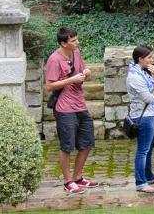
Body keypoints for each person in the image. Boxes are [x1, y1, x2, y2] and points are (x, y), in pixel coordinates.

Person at [46, 26, 97, 194]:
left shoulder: (76, 53)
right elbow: (50, 85)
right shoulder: (54, 59)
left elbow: (82, 72)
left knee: (87, 141)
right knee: (67, 145)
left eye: (77, 39)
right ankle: (67, 181)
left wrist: (86, 73)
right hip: (64, 107)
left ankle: (78, 177)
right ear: (63, 43)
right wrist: (71, 80)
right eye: (73, 41)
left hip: (80, 104)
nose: (77, 42)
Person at [126, 46, 154, 194]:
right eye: (149, 57)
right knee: (142, 150)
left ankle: (149, 177)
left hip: (151, 113)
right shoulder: (134, 77)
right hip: (143, 117)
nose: (152, 60)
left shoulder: (145, 72)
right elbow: (148, 97)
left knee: (150, 148)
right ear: (140, 59)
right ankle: (141, 183)